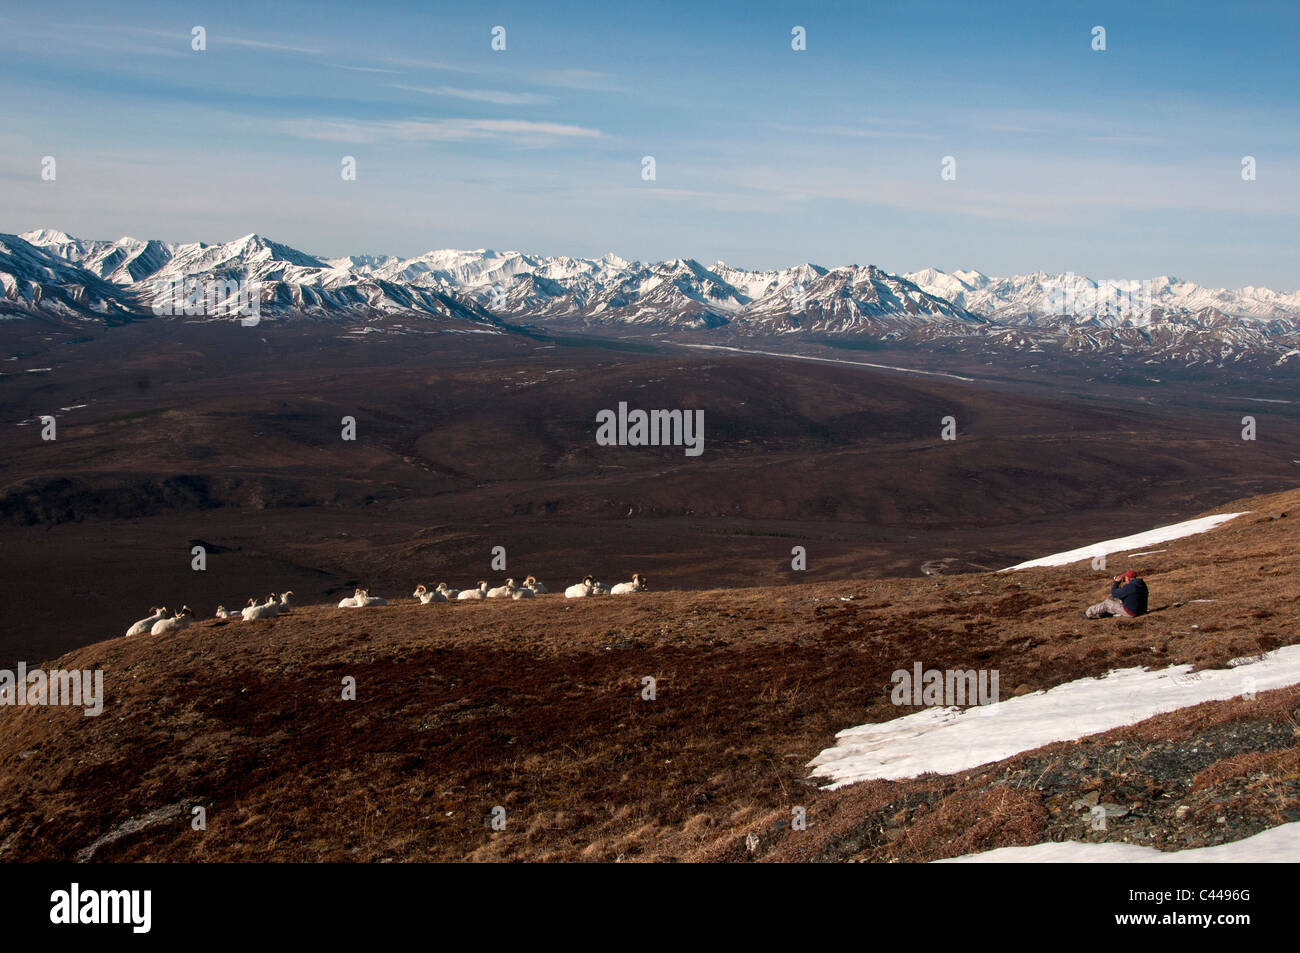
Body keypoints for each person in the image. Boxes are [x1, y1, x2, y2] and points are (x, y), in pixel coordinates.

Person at [1082, 570, 1148, 619]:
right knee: (1119, 601)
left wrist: (1116, 583)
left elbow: (1114, 593)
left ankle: (1088, 614)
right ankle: (1105, 613)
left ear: (1128, 578)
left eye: (1125, 577)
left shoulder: (1130, 587)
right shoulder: (1142, 584)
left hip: (1132, 612)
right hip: (1142, 610)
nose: (1124, 579)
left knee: (1107, 603)